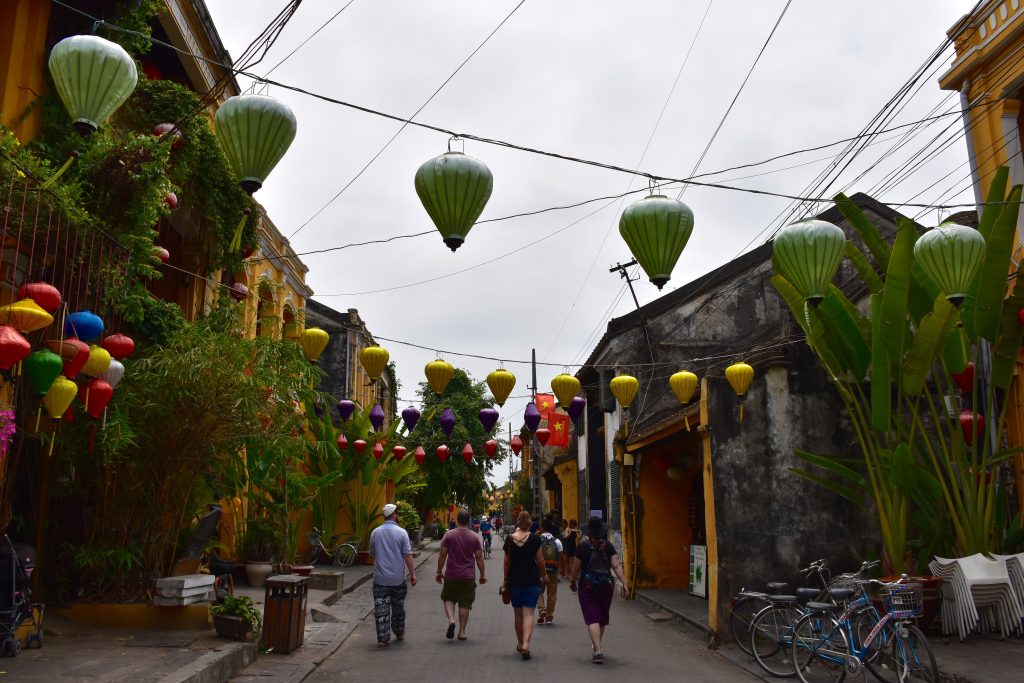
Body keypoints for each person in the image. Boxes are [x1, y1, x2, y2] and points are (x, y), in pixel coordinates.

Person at [570, 516, 629, 664]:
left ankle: (597, 651)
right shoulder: (608, 546)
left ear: (588, 533)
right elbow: (616, 566)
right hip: (606, 586)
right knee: (601, 618)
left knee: (592, 618)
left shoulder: (583, 547)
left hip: (587, 585)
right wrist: (625, 584)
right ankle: (596, 645)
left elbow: (576, 568)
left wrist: (572, 580)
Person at [368, 503, 417, 648]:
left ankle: (383, 639)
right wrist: (413, 574)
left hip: (380, 579)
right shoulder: (402, 533)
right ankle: (399, 631)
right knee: (398, 608)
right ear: (394, 515)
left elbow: (372, 553)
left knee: (381, 609)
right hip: (397, 579)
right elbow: (407, 555)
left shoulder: (375, 533)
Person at [502, 510, 548, 660]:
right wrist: (545, 575)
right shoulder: (535, 539)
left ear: (517, 522)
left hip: (514, 582)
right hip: (531, 581)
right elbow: (540, 561)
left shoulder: (509, 540)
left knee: (518, 614)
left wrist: (505, 580)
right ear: (529, 523)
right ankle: (526, 645)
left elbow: (506, 562)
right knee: (529, 613)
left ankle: (520, 643)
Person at [436, 509, 486, 641]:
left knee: (448, 598)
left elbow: (442, 554)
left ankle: (451, 620)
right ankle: (462, 632)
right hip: (468, 575)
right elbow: (479, 557)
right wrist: (482, 574)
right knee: (465, 603)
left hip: (451, 574)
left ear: (457, 520)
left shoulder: (449, 535)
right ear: (469, 521)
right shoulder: (474, 536)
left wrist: (439, 572)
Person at [536, 518, 563, 624]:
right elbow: (561, 557)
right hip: (553, 570)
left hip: (540, 570)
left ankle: (542, 609)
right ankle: (549, 617)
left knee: (538, 591)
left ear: (542, 528)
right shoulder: (557, 541)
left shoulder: (537, 540)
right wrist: (563, 570)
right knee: (552, 593)